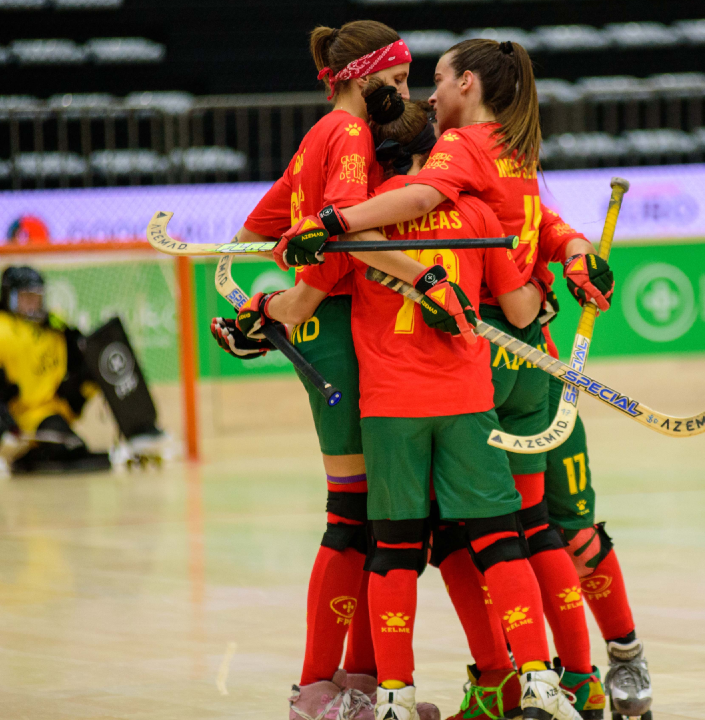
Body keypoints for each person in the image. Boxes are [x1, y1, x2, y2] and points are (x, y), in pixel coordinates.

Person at [284, 39, 617, 718]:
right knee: (533, 532)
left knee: (386, 540)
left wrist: (329, 225)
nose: (428, 95)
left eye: (433, 80)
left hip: (416, 398)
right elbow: (536, 268)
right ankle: (567, 679)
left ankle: (393, 693)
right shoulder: (503, 175)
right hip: (515, 368)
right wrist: (571, 263)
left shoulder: (439, 169)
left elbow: (308, 288)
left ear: (468, 83)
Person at [205, 20, 436, 720]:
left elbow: (250, 237)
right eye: (393, 81)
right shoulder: (351, 135)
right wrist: (298, 300)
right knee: (354, 514)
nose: (402, 93)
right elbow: (340, 224)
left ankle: (358, 687)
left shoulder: (314, 136)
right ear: (360, 77)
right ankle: (316, 692)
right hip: (337, 326)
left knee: (370, 516)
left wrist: (253, 306)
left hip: (329, 326)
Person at [534, 205, 652, 720]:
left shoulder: (500, 182)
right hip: (460, 394)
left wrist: (578, 258)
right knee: (495, 542)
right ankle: (532, 676)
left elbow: (558, 233)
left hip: (541, 386)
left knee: (574, 535)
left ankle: (626, 657)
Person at [0, 266, 133, 475]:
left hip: (58, 406)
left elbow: (79, 352)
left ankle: (139, 429)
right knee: (69, 448)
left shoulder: (54, 323)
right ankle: (30, 455)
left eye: (37, 297)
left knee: (99, 364)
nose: (33, 304)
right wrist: (2, 431)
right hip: (26, 415)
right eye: (26, 297)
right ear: (8, 297)